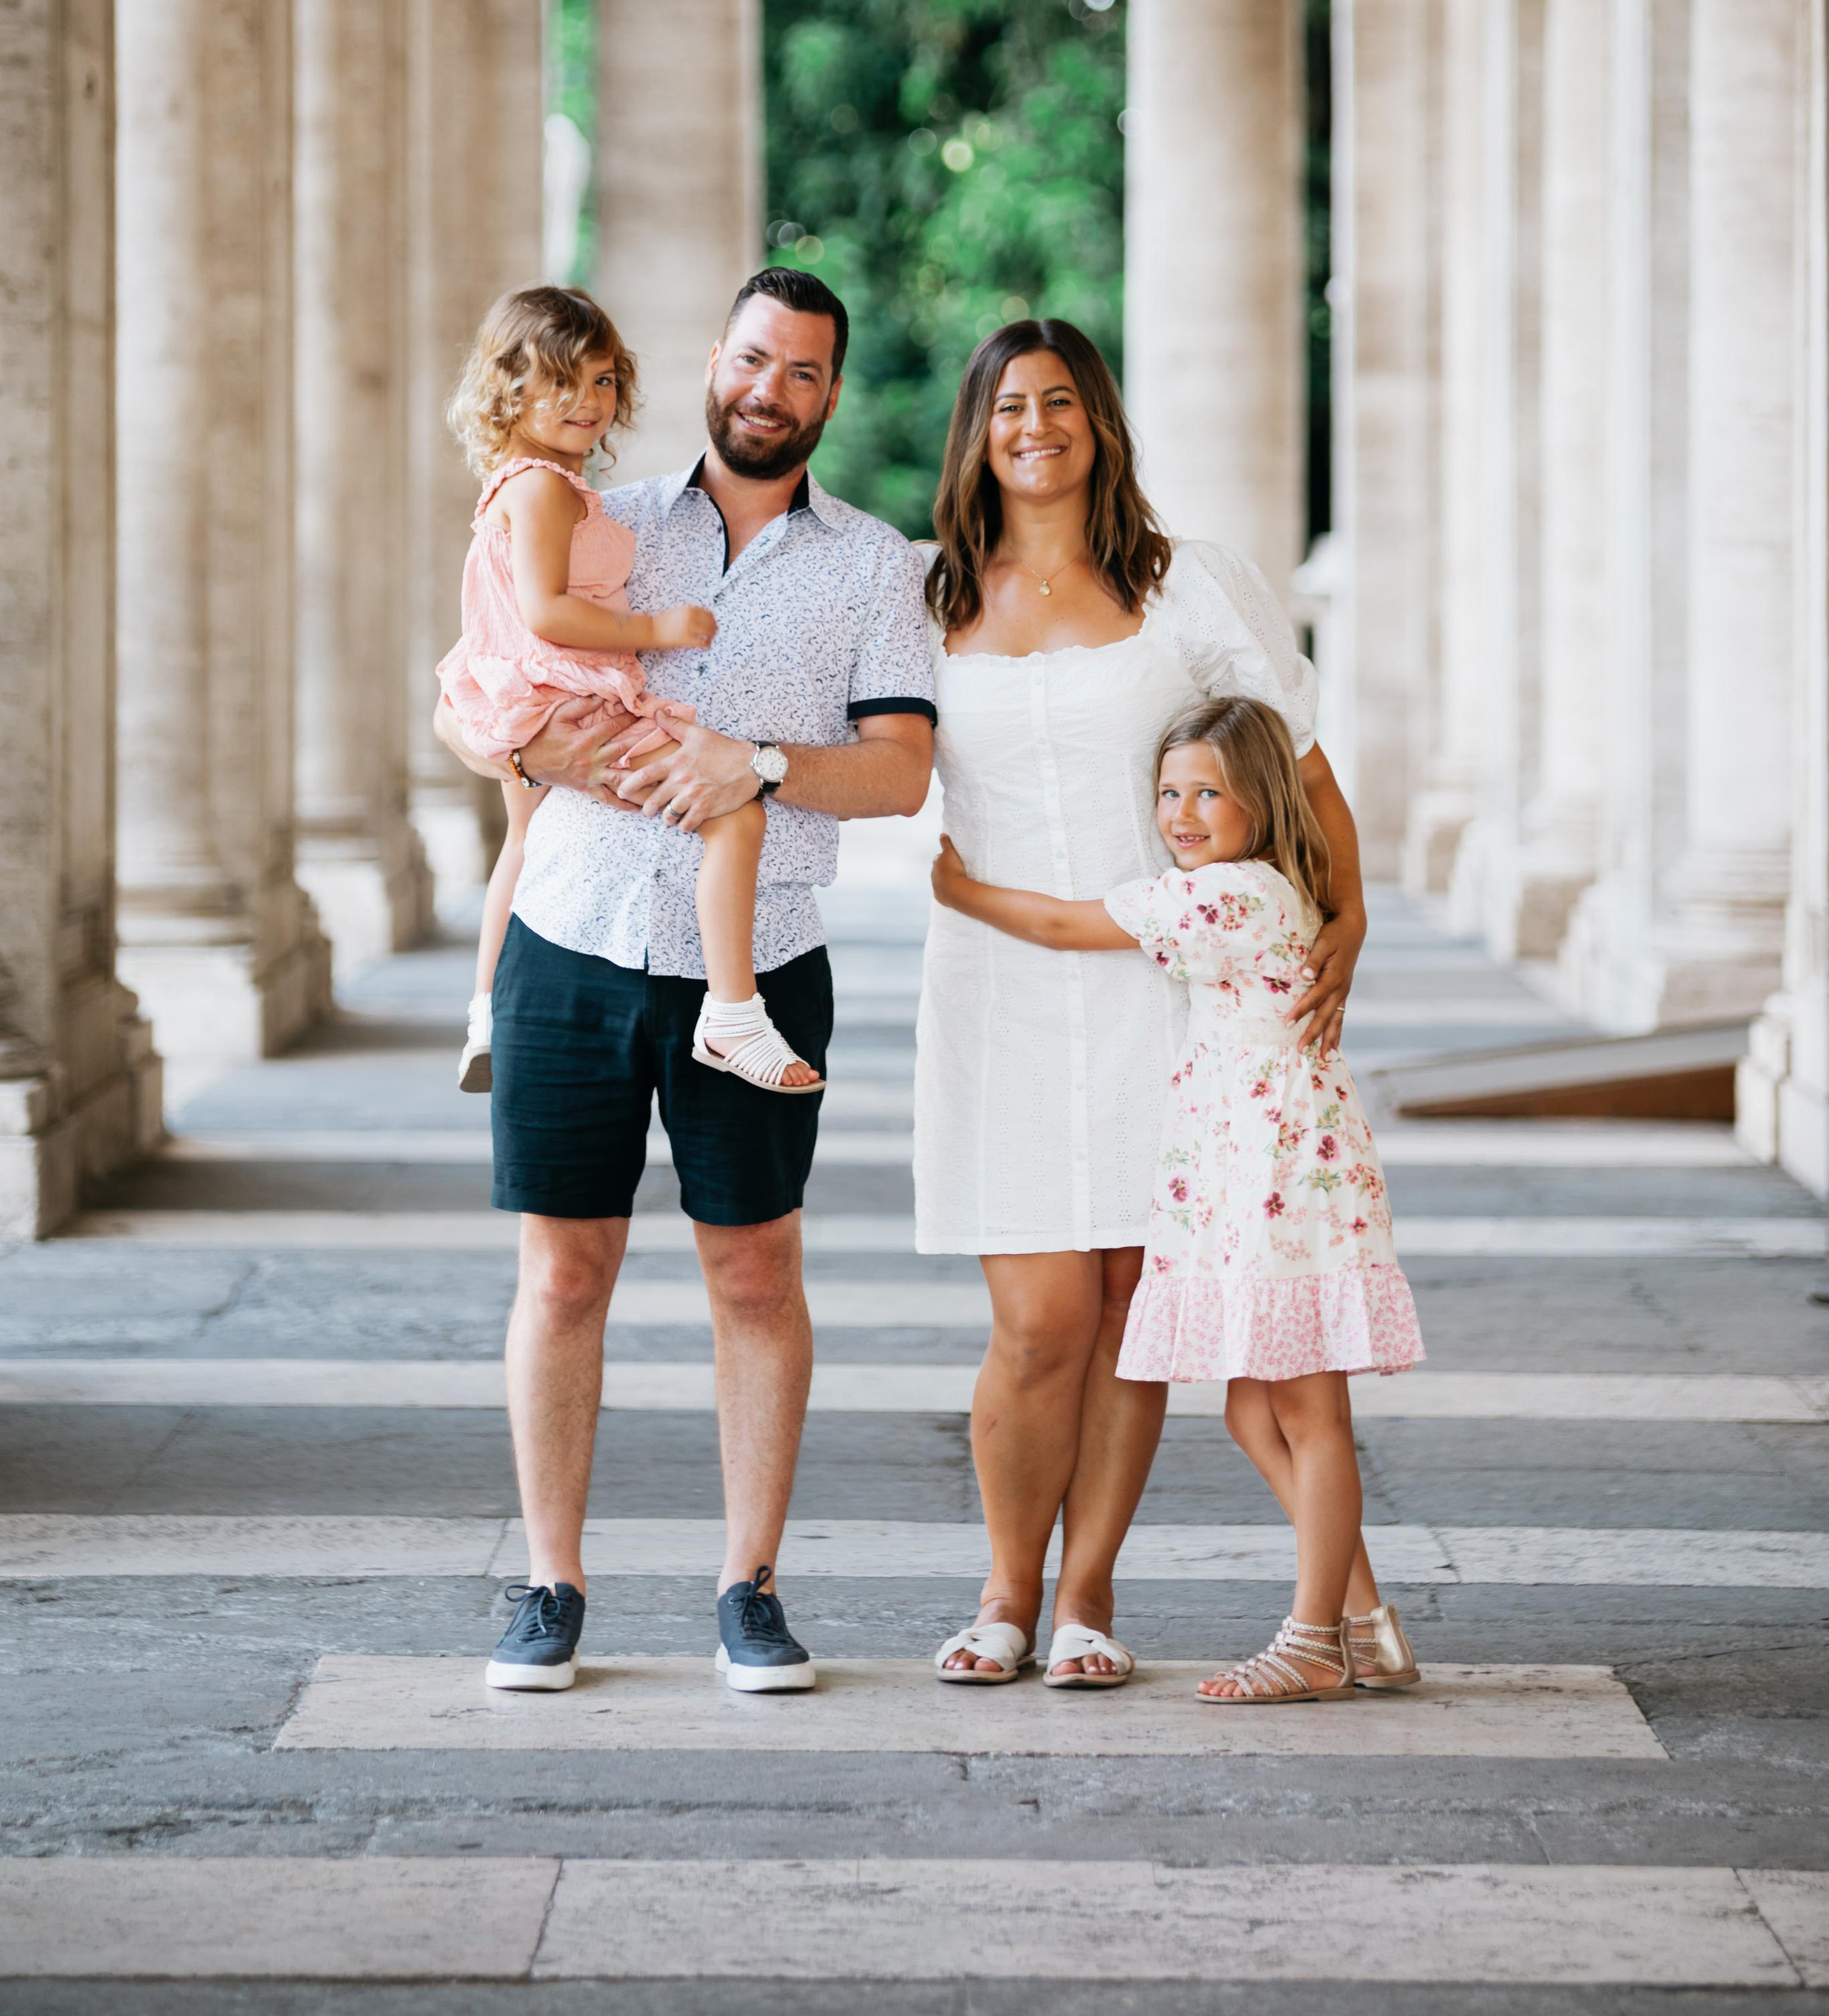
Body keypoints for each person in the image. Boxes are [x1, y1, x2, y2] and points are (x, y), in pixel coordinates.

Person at [434, 269, 935, 1695]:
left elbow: (899, 773)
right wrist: (537, 747)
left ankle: (748, 1587)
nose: (771, 390)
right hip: (571, 933)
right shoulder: (598, 514)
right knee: (562, 1272)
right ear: (715, 363)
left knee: (756, 1274)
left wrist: (755, 765)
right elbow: (470, 688)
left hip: (758, 957)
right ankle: (550, 1584)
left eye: (803, 371)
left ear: (830, 393)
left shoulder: (874, 566)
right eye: (753, 360)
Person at [914, 319, 1368, 1693]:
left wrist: (1347, 917)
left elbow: (1299, 764)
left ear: (1100, 423)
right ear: (977, 434)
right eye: (1009, 406)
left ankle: (1087, 1602)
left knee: (1127, 1308)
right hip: (996, 989)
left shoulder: (1183, 585)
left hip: (1168, 997)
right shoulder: (929, 598)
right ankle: (1004, 1591)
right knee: (1037, 1318)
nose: (1036, 427)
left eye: (1062, 401)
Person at [933, 695, 1424, 1702]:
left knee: (1308, 1412)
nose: (1182, 815)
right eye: (1168, 793)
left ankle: (1314, 1641)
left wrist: (958, 889)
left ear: (1262, 802)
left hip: (1278, 1178)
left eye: (1209, 794)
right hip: (1266, 1167)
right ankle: (1367, 1626)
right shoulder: (1274, 886)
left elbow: (1063, 926)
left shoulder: (1227, 896)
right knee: (1255, 1413)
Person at [439, 285, 821, 1097]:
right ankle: (732, 1013)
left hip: (525, 693)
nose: (589, 400)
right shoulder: (543, 489)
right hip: (569, 695)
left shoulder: (524, 486)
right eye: (561, 381)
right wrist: (657, 629)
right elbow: (545, 610)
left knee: (524, 841)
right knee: (736, 813)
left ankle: (485, 1013)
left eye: (604, 380)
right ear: (510, 386)